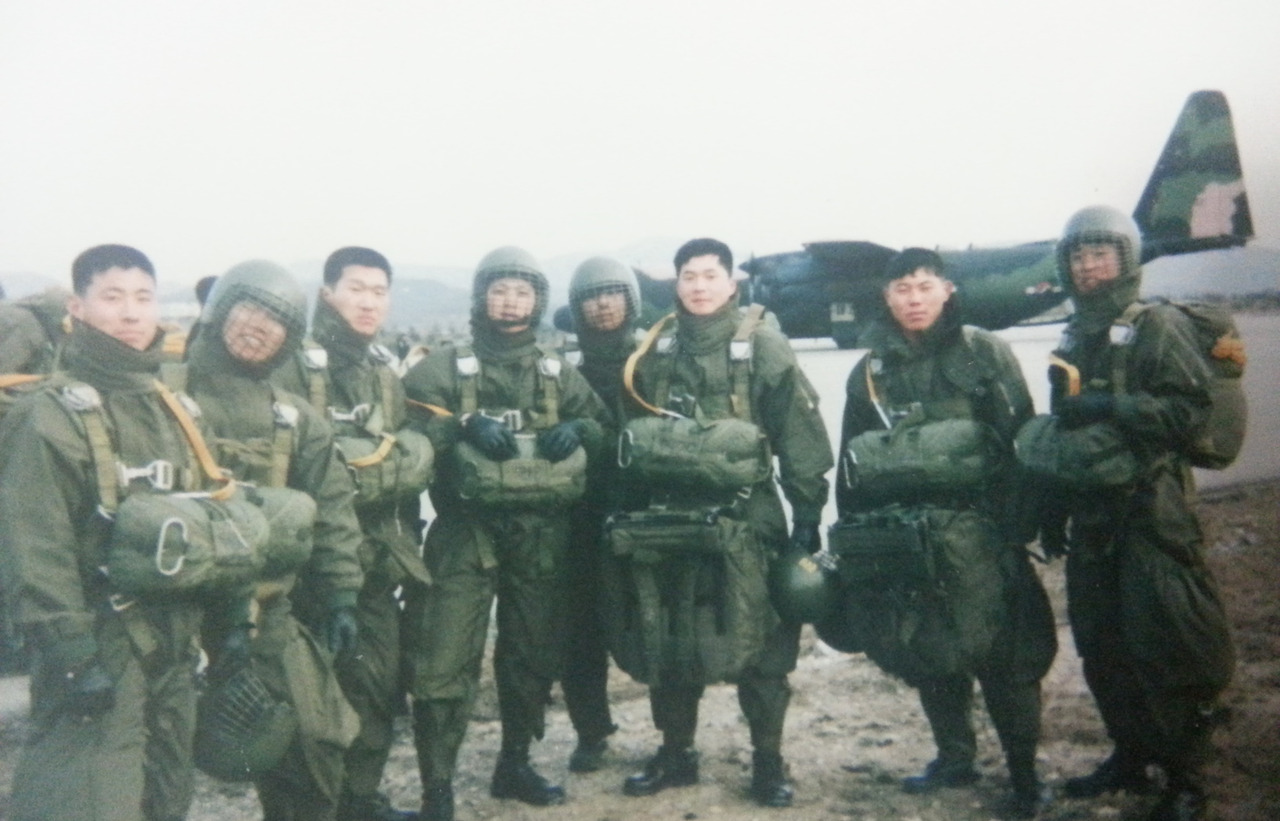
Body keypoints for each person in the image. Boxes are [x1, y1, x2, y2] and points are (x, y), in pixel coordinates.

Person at [825, 248, 1056, 818]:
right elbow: (852, 463)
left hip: (984, 535)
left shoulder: (983, 353)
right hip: (909, 539)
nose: (914, 299)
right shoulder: (871, 372)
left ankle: (1024, 773)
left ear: (947, 290)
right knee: (929, 647)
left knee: (1005, 656)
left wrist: (1018, 527)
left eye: (925, 286)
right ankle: (954, 757)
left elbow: (1021, 438)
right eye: (902, 289)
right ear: (887, 297)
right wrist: (853, 540)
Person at [0, 244, 221, 820]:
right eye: (113, 297)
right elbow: (35, 549)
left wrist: (233, 623)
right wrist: (73, 656)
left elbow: (210, 520)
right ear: (77, 308)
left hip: (175, 640)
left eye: (143, 298)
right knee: (88, 798)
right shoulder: (47, 416)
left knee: (167, 793)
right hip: (97, 639)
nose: (130, 313)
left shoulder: (178, 411)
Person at [616, 238, 832, 808]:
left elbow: (800, 434)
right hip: (669, 516)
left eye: (710, 275)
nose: (699, 287)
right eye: (689, 276)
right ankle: (675, 753)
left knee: (762, 643)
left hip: (747, 513)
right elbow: (632, 433)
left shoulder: (763, 345)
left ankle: (768, 762)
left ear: (731, 283)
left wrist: (807, 516)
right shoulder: (653, 348)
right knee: (670, 631)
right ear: (677, 283)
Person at [401, 246, 610, 821]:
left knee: (531, 653)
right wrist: (461, 424)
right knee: (443, 660)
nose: (511, 302)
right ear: (481, 297)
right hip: (463, 532)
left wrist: (577, 429)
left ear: (537, 302)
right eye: (500, 290)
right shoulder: (442, 368)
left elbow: (601, 426)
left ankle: (515, 763)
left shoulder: (556, 371)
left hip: (541, 534)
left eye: (522, 292)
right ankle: (437, 789)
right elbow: (404, 432)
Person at [1045, 206, 1234, 821]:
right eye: (1078, 256)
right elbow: (1066, 436)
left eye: (1101, 254)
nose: (1088, 266)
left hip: (1152, 510)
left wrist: (1112, 405)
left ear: (1125, 260)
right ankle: (1130, 755)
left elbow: (1189, 414)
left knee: (1168, 642)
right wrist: (1053, 509)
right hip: (1093, 513)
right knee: (1102, 645)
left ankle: (1186, 778)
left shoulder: (1157, 326)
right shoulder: (1075, 335)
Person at [186, 260, 365, 821]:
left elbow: (333, 510)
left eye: (276, 322)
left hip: (264, 609)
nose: (258, 328)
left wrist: (341, 595)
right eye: (248, 309)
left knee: (315, 740)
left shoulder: (297, 420)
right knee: (146, 766)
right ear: (220, 311)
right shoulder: (163, 398)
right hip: (170, 614)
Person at [274, 246, 429, 821]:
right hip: (303, 567)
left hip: (372, 564)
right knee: (310, 704)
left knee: (376, 683)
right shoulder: (292, 366)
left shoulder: (383, 372)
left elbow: (398, 469)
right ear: (327, 295)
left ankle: (359, 800)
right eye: (355, 289)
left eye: (378, 292)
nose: (367, 302)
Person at [556, 256, 640, 772]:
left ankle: (675, 739)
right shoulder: (561, 371)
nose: (603, 304)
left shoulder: (653, 360)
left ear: (630, 300)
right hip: (580, 515)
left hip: (641, 508)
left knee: (654, 617)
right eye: (591, 296)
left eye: (613, 293)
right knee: (579, 630)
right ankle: (591, 730)